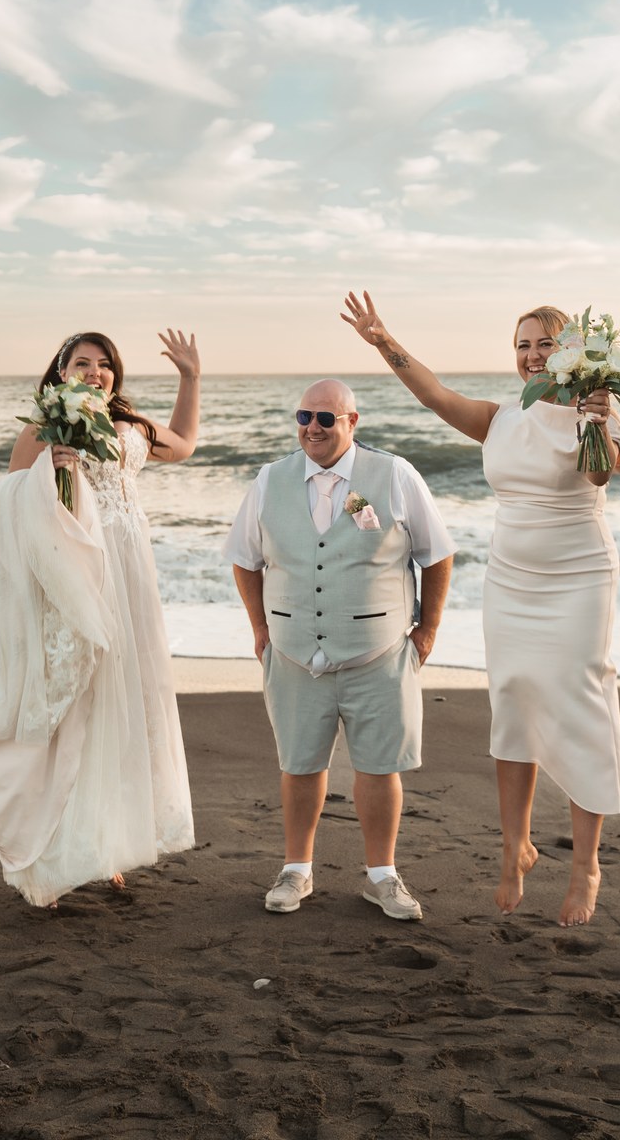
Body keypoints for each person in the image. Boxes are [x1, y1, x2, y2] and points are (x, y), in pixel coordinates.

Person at [342, 294, 620, 927]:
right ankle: (515, 846)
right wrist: (384, 340)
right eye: (523, 345)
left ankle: (586, 865)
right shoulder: (500, 419)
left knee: (581, 701)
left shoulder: (596, 410)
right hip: (511, 579)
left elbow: (605, 475)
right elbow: (435, 395)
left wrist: (595, 419)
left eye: (545, 344)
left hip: (579, 575)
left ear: (573, 354)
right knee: (514, 697)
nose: (531, 356)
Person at [0, 330, 202, 905]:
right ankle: (56, 849)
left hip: (133, 578)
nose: (95, 372)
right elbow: (8, 500)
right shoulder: (46, 425)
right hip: (81, 576)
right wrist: (50, 470)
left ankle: (104, 845)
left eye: (104, 365)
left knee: (124, 711)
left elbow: (185, 444)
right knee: (80, 707)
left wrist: (190, 378)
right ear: (61, 372)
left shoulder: (129, 424)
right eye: (82, 363)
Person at [226, 379, 456, 920]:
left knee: (379, 768)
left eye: (326, 419)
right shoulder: (269, 480)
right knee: (299, 765)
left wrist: (428, 630)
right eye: (304, 416)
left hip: (378, 652)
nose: (313, 428)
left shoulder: (394, 474)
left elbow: (437, 554)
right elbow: (243, 557)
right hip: (293, 654)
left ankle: (383, 876)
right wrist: (260, 627)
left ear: (353, 423)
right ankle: (297, 871)